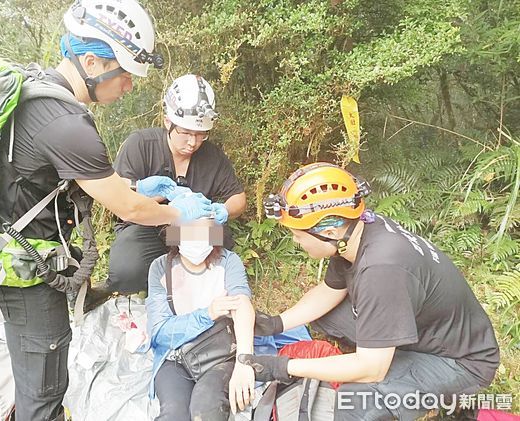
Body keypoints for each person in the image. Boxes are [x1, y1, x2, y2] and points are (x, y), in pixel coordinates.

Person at [0, 1, 212, 420]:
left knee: (42, 359)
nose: (128, 86)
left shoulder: (42, 94)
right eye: (124, 74)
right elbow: (126, 206)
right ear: (90, 61)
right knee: (45, 378)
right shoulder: (72, 124)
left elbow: (104, 184)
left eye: (200, 132)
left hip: (30, 251)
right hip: (23, 263)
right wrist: (182, 215)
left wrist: (198, 214)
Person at [239, 162, 500, 420]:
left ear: (328, 231)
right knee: (325, 315)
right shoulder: (360, 228)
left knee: (354, 402)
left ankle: (435, 395)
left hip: (459, 362)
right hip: (422, 326)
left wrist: (284, 367)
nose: (296, 242)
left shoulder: (381, 270)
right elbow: (331, 290)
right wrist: (276, 323)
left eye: (297, 235)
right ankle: (389, 353)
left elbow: (371, 368)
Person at [105, 73, 247, 295]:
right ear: (168, 122)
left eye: (201, 135)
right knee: (126, 272)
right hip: (145, 228)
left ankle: (188, 282)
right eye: (186, 133)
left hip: (188, 232)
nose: (193, 142)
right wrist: (160, 200)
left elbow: (238, 198)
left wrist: (224, 210)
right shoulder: (141, 144)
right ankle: (155, 280)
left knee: (222, 239)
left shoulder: (212, 156)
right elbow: (119, 202)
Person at [146, 218, 255, 420]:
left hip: (218, 355)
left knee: (206, 410)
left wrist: (244, 362)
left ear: (214, 233)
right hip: (174, 358)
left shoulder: (228, 261)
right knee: (174, 414)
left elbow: (242, 305)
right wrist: (207, 314)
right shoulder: (161, 268)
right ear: (174, 234)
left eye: (203, 232)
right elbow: (159, 331)